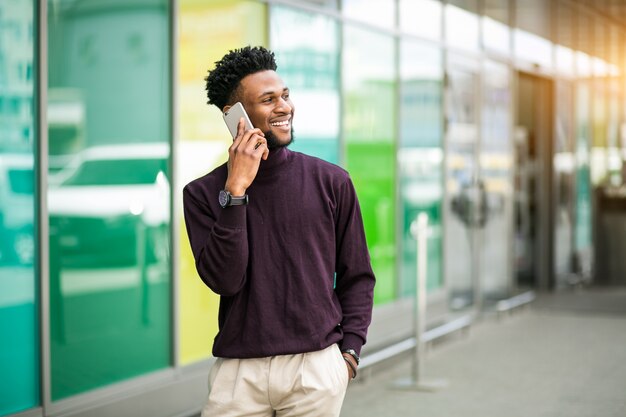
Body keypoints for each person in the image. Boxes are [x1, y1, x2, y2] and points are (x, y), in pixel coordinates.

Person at [183, 45, 375, 417]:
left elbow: (358, 276)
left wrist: (348, 353)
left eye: (285, 95)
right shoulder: (203, 193)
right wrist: (235, 191)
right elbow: (225, 279)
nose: (284, 107)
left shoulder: (331, 181)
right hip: (238, 376)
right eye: (268, 99)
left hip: (315, 369)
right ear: (233, 115)